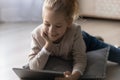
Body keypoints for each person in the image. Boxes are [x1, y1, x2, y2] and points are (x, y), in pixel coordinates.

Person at [28, 0, 120, 80]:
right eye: (47, 24)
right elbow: (33, 67)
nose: (51, 31)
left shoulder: (75, 31)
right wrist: (48, 46)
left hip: (86, 41)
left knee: (117, 55)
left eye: (58, 26)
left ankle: (100, 42)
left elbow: (80, 59)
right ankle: (97, 39)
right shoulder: (36, 35)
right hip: (74, 45)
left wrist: (74, 76)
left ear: (69, 22)